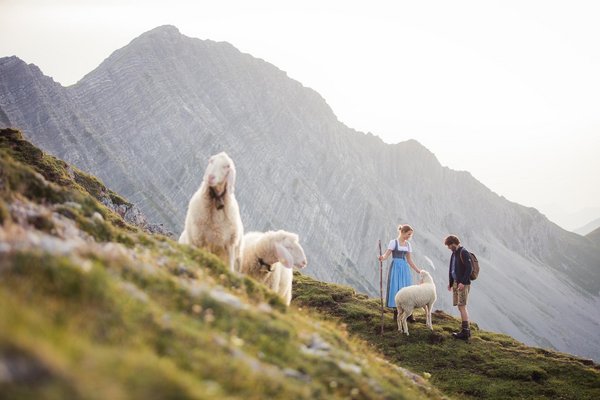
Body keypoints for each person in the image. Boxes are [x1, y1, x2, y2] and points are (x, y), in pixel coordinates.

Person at [378, 224, 421, 322]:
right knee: (396, 288)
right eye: (408, 234)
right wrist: (382, 258)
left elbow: (409, 259)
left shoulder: (408, 245)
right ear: (402, 232)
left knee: (407, 289)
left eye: (410, 235)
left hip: (405, 268)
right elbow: (387, 254)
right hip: (396, 268)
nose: (409, 237)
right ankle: (396, 313)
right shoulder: (393, 242)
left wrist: (417, 270)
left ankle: (409, 314)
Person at [444, 234, 473, 340]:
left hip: (462, 284)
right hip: (457, 283)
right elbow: (452, 268)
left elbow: (469, 269)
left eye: (449, 245)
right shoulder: (455, 253)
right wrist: (451, 283)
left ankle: (465, 332)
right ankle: (465, 331)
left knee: (462, 306)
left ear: (454, 243)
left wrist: (463, 282)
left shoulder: (463, 252)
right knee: (460, 306)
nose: (449, 248)